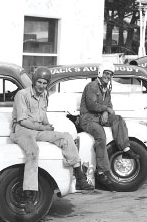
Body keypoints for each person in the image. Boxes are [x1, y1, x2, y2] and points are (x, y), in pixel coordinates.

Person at [11, 66, 93, 213]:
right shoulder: (22, 94)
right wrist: (43, 128)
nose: (42, 86)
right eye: (39, 82)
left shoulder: (45, 94)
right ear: (34, 81)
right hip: (23, 130)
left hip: (38, 129)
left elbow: (42, 116)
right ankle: (29, 196)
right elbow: (22, 121)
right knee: (33, 152)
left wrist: (47, 125)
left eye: (45, 83)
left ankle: (80, 177)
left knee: (66, 137)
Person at [79, 62, 134, 189]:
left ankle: (125, 148)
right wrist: (106, 110)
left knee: (118, 119)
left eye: (110, 74)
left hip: (99, 116)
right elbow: (91, 105)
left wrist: (105, 111)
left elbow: (110, 106)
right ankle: (102, 171)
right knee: (100, 134)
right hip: (88, 119)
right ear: (100, 73)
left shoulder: (107, 89)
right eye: (106, 73)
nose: (108, 76)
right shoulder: (92, 86)